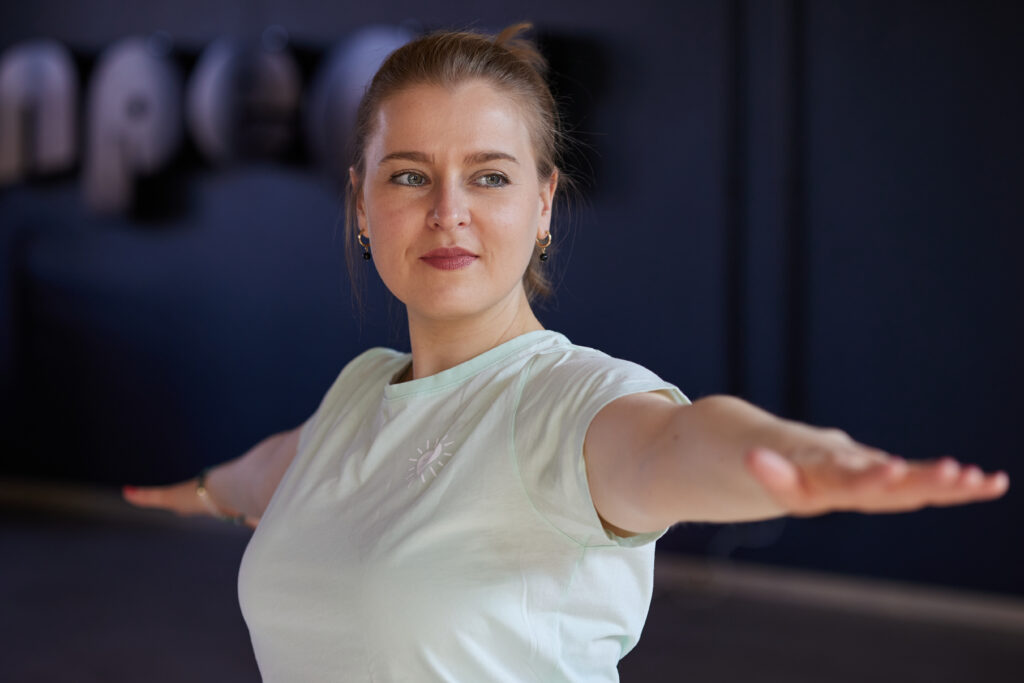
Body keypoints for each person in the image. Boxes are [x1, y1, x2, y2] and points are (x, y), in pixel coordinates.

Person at [122, 23, 1010, 682]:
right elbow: (280, 469)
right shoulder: (359, 392)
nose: (449, 210)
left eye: (491, 175)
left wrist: (800, 459)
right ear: (360, 203)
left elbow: (673, 442)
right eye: (408, 175)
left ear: (544, 204)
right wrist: (200, 489)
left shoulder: (568, 405)